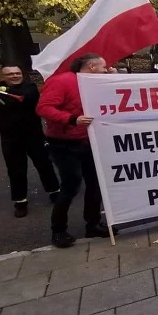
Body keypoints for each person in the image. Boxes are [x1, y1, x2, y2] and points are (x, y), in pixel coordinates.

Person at [37, 53, 114, 248]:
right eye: (103, 67)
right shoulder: (62, 81)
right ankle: (59, 230)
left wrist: (113, 76)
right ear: (91, 66)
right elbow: (43, 108)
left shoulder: (94, 83)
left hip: (89, 140)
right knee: (71, 186)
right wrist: (72, 119)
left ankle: (93, 224)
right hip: (64, 143)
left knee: (95, 184)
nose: (106, 70)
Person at [0, 65, 60, 218]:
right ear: (4, 76)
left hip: (34, 136)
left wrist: (1, 90)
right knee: (16, 170)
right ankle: (20, 201)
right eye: (10, 74)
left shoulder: (30, 87)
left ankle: (55, 192)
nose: (15, 76)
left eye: (17, 73)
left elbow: (23, 97)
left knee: (44, 165)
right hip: (10, 138)